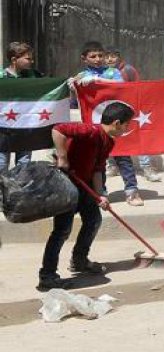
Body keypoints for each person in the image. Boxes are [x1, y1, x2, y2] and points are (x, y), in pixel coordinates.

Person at [37, 102, 134, 291]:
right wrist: (63, 157)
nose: (127, 129)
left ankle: (79, 261)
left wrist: (100, 195)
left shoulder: (109, 141)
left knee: (93, 220)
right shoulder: (89, 130)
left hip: (85, 186)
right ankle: (47, 276)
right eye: (127, 125)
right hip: (66, 185)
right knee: (62, 231)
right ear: (116, 123)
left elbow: (98, 169)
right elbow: (58, 130)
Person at [71, 42, 144, 206]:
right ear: (84, 58)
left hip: (116, 125)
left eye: (100, 55)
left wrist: (98, 79)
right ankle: (100, 193)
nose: (97, 59)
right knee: (98, 161)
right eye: (93, 56)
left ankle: (132, 191)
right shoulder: (82, 75)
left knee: (123, 157)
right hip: (97, 125)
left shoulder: (113, 72)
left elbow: (121, 86)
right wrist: (74, 86)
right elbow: (78, 99)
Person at [104, 47, 162, 184]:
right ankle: (112, 165)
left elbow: (138, 87)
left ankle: (147, 168)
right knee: (110, 136)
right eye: (107, 57)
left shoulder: (128, 69)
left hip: (129, 109)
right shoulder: (103, 72)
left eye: (113, 56)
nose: (109, 59)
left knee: (138, 136)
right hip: (111, 109)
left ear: (119, 57)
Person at [0, 42, 40, 171]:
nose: (31, 61)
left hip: (25, 126)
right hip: (4, 128)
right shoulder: (2, 77)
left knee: (24, 163)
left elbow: (50, 87)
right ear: (14, 59)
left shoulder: (33, 75)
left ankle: (20, 191)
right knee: (2, 162)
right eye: (28, 58)